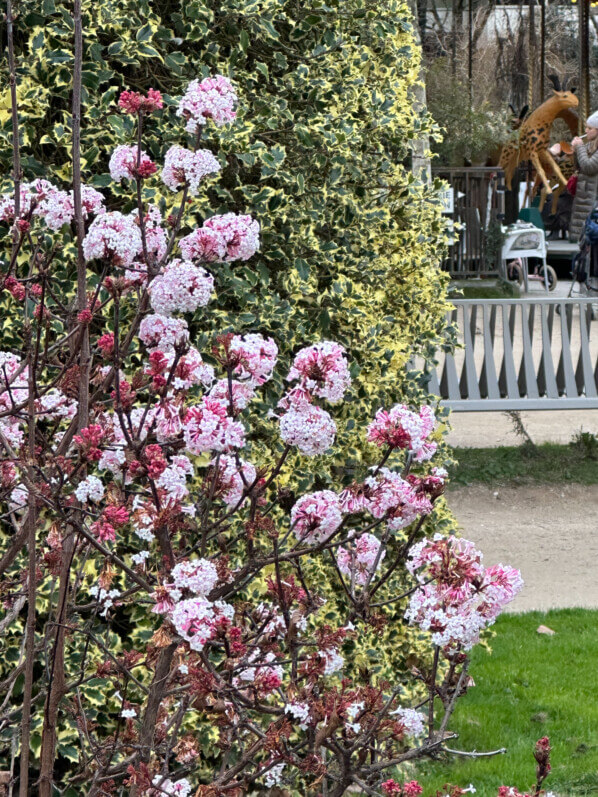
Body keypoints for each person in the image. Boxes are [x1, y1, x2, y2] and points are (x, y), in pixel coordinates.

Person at [569, 113, 598, 242]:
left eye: (589, 128)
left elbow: (589, 166)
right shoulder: (589, 146)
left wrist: (579, 147)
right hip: (584, 193)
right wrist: (575, 150)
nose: (586, 131)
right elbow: (579, 166)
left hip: (594, 196)